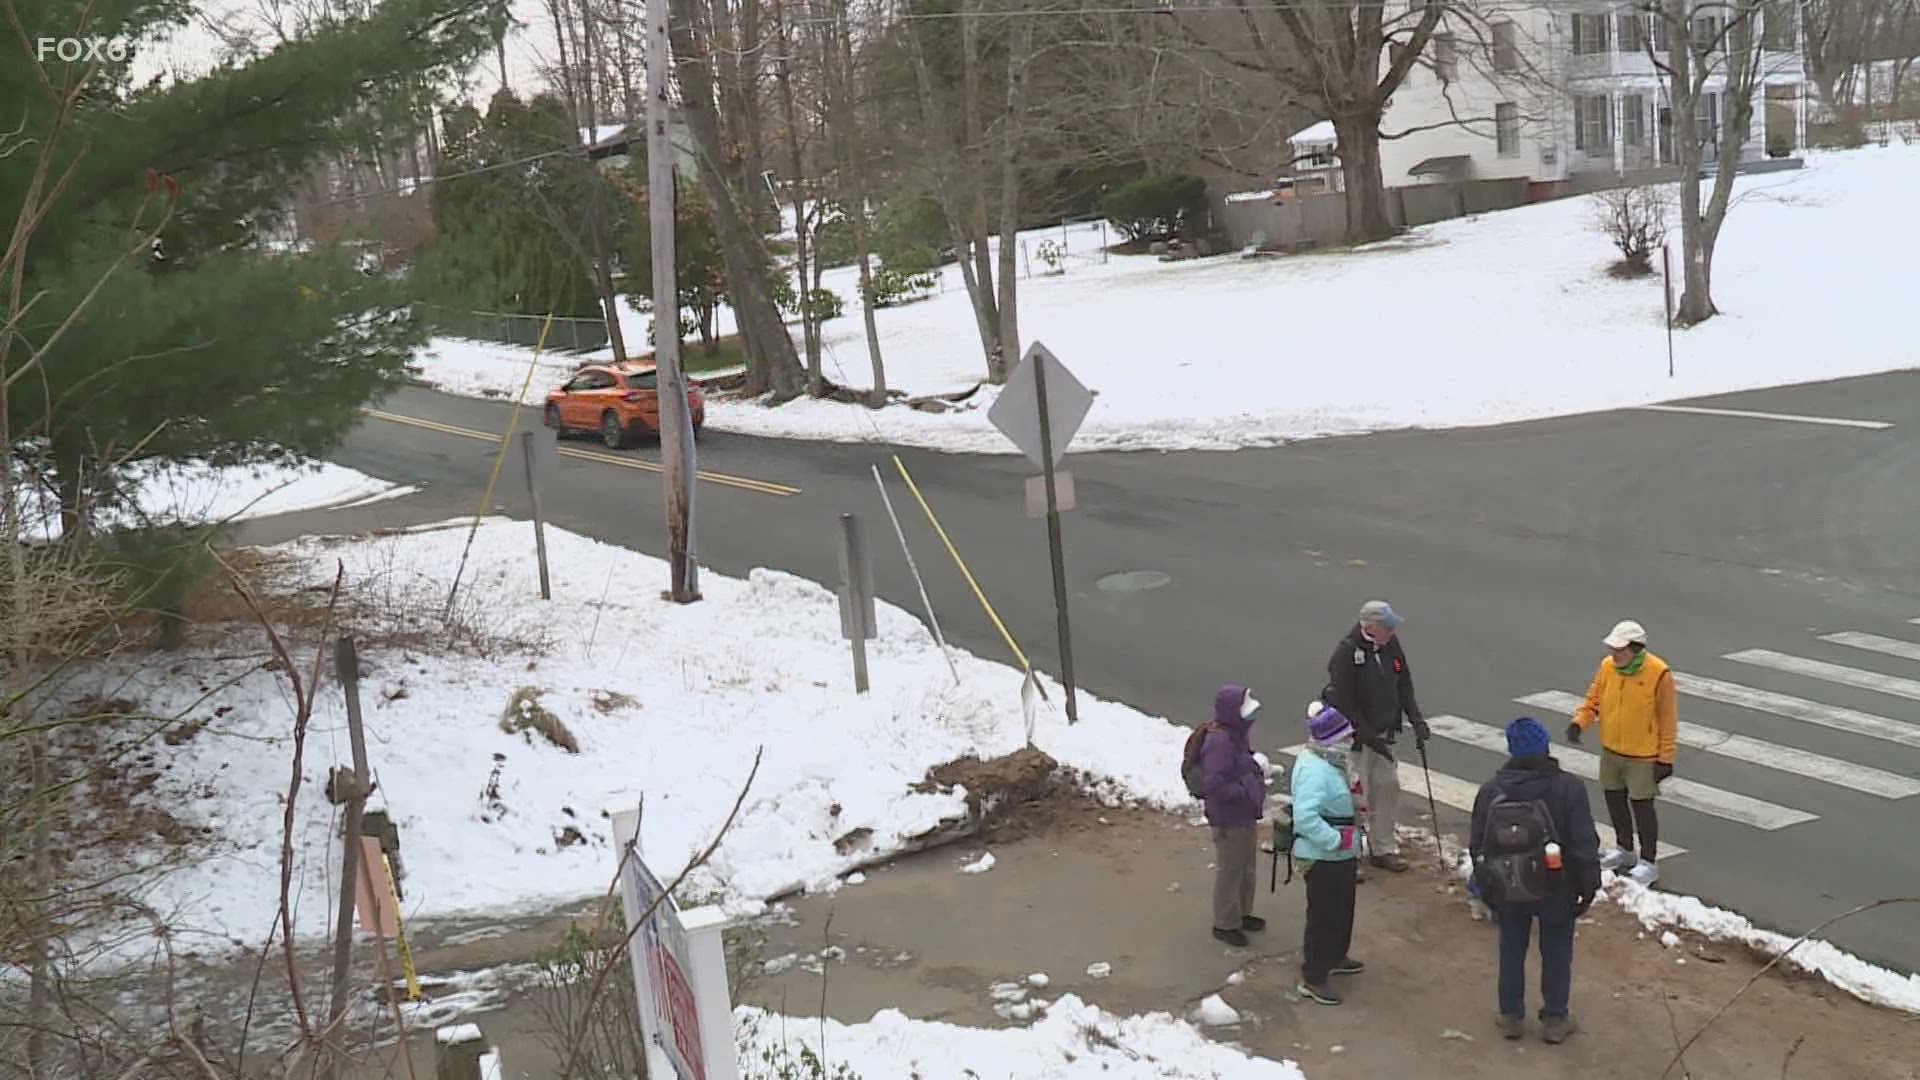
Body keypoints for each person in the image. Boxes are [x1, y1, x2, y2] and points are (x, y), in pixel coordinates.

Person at [1470, 717, 1601, 1043]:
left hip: (1508, 885)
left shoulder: (1491, 790)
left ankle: (1511, 1016)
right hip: (1557, 885)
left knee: (1511, 947)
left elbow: (1478, 844)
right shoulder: (1568, 787)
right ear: (1545, 747)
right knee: (1556, 950)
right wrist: (1588, 886)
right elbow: (1584, 843)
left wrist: (1487, 887)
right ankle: (1555, 1019)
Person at [1564, 620, 1676, 886]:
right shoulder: (1607, 668)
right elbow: (1594, 701)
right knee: (1614, 800)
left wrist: (1665, 758)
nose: (1615, 655)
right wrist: (1579, 722)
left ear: (1636, 649)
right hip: (1612, 750)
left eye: (1620, 650)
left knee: (1642, 807)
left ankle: (1648, 862)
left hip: (1642, 755)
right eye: (1613, 649)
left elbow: (1667, 719)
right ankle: (1625, 851)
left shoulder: (1659, 673)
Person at [1325, 600, 1430, 873]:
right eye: (1387, 625)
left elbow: (1404, 684)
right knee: (1358, 797)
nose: (1392, 630)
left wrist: (1416, 720)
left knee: (1388, 787)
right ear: (1370, 626)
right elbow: (1345, 703)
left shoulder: (1391, 646)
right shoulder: (1346, 654)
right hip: (1357, 739)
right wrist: (1371, 738)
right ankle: (1352, 856)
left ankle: (1382, 848)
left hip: (1384, 735)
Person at [1292, 700, 1364, 1005]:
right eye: (1345, 737)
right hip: (1323, 855)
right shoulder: (1314, 770)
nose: (1350, 741)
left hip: (1342, 852)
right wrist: (1334, 840)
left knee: (1342, 908)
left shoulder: (1332, 763)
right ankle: (1314, 976)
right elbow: (1305, 817)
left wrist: (1357, 804)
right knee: (1323, 916)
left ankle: (1336, 956)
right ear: (1331, 740)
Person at [1201, 684, 1267, 947]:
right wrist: (1244, 790)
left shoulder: (1235, 735)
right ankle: (1225, 923)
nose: (1251, 718)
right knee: (1231, 870)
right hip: (1229, 819)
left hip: (1243, 815)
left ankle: (1242, 913)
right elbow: (1213, 785)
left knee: (1246, 867)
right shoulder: (1220, 743)